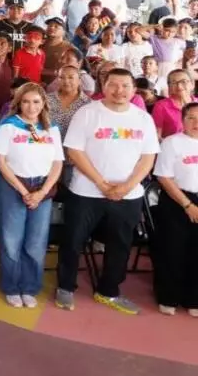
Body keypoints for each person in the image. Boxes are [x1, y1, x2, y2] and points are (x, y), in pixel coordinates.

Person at [56, 69, 159, 315]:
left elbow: (148, 157)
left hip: (128, 195)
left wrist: (126, 186)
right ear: (104, 85)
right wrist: (102, 184)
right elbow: (74, 151)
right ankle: (65, 286)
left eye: (125, 85)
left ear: (134, 89)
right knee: (73, 241)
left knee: (120, 245)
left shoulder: (143, 118)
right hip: (86, 192)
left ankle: (109, 290)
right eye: (113, 85)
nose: (119, 91)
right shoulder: (87, 113)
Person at [0, 83, 64, 308]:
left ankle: (30, 287)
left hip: (42, 186)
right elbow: (0, 161)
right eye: (26, 101)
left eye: (36, 102)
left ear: (43, 103)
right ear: (18, 103)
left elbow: (57, 162)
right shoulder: (9, 126)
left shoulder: (51, 129)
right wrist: (24, 191)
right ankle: (11, 286)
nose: (31, 107)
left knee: (36, 241)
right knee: (11, 240)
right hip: (13, 185)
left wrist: (42, 192)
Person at [152, 102, 198, 316]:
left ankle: (193, 299)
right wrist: (188, 205)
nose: (196, 123)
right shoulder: (172, 143)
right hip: (176, 199)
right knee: (172, 250)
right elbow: (164, 177)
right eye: (191, 118)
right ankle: (168, 296)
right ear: (182, 120)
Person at [152, 69, 194, 139]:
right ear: (169, 87)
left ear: (192, 85)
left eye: (183, 81)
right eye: (174, 83)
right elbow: (156, 136)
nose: (179, 86)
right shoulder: (161, 106)